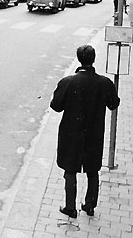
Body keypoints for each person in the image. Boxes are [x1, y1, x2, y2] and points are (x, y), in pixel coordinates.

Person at [50, 45, 120, 219]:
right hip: (94, 134)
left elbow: (56, 106)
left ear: (79, 59)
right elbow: (113, 104)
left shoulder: (68, 82)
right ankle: (90, 205)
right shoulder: (104, 83)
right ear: (93, 59)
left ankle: (70, 207)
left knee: (70, 170)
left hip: (71, 134)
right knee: (92, 170)